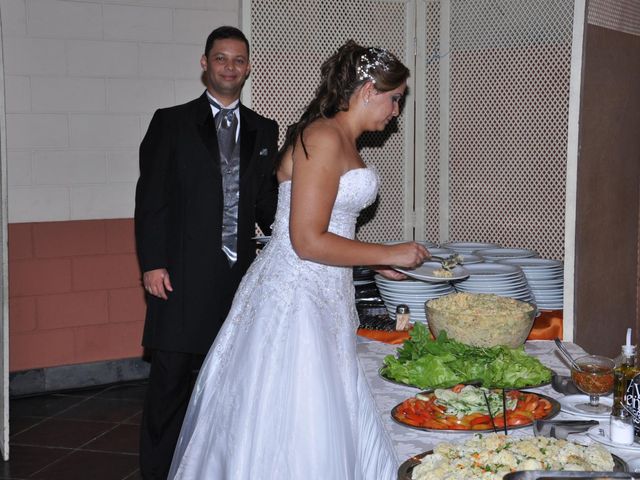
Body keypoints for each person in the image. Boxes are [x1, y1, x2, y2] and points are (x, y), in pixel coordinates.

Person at [168, 40, 429, 479]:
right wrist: (387, 251)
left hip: (325, 289)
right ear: (368, 90)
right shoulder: (324, 136)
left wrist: (369, 262)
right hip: (296, 296)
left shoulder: (338, 137)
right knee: (295, 410)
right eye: (395, 99)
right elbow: (307, 240)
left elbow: (332, 228)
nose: (396, 112)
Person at [134, 26, 279, 479]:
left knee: (230, 384)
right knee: (171, 382)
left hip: (239, 279)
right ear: (205, 63)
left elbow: (266, 204)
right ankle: (157, 470)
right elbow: (151, 198)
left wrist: (292, 241)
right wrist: (152, 263)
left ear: (248, 67)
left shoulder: (264, 129)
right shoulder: (170, 122)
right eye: (221, 59)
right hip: (180, 274)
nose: (230, 68)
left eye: (238, 60)